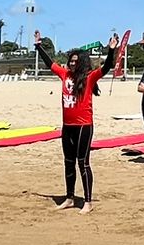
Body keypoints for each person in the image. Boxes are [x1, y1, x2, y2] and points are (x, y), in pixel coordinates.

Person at [41, 30, 103, 211]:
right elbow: (49, 63)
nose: (73, 63)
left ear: (82, 62)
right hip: (67, 126)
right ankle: (69, 197)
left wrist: (113, 51)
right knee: (68, 161)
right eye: (71, 61)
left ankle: (88, 201)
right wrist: (38, 46)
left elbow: (105, 69)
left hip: (84, 126)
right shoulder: (64, 74)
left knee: (82, 162)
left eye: (76, 61)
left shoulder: (89, 77)